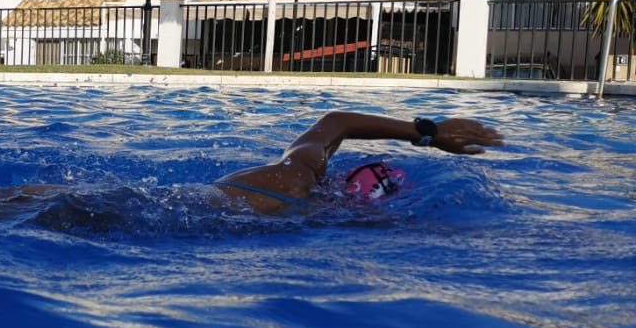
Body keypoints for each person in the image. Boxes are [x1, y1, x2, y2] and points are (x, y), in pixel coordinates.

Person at [211, 111, 503, 214]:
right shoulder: (296, 180)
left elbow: (336, 122)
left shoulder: (300, 174)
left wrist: (431, 133)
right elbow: (337, 120)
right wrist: (431, 133)